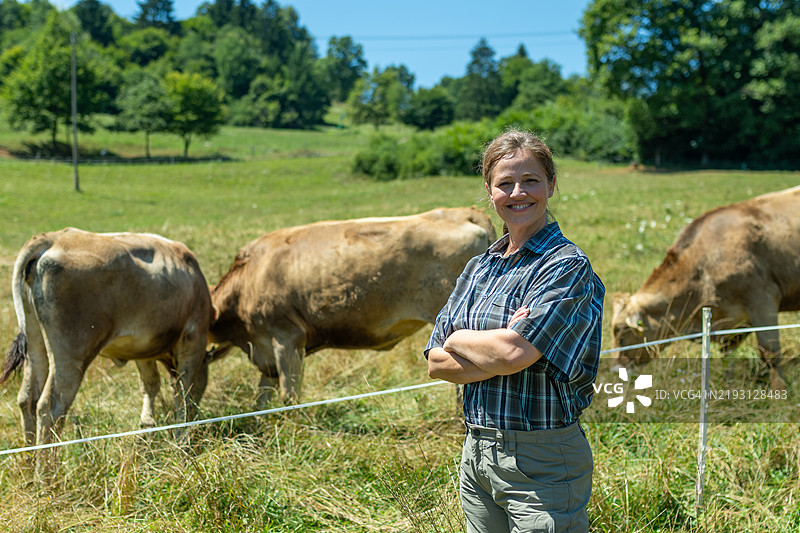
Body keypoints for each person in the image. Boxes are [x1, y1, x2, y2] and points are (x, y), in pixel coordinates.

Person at [425, 129, 605, 533]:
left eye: (530, 180)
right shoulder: (478, 268)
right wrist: (493, 344)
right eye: (504, 183)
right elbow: (436, 361)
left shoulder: (566, 266)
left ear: (551, 185)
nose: (517, 192)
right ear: (489, 191)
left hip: (542, 460)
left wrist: (463, 339)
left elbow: (512, 354)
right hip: (476, 455)